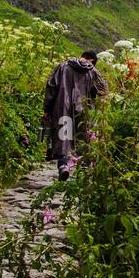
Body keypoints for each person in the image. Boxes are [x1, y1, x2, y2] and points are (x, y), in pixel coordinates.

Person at [42, 50, 107, 181]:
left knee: (63, 137)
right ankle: (86, 169)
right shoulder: (92, 71)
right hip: (84, 109)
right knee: (84, 138)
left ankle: (63, 166)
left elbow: (51, 87)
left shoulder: (62, 67)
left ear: (81, 56)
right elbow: (103, 89)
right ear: (92, 60)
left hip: (61, 107)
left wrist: (47, 109)